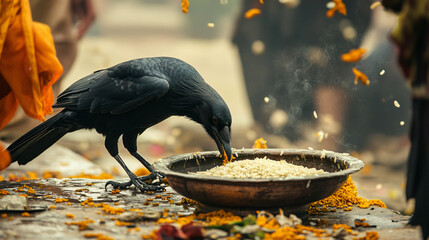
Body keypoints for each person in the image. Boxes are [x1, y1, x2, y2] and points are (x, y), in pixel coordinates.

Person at [232, 0, 371, 150]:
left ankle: (328, 142)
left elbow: (345, 35)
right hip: (268, 30)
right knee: (254, 36)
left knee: (334, 34)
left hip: (329, 21)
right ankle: (275, 134)